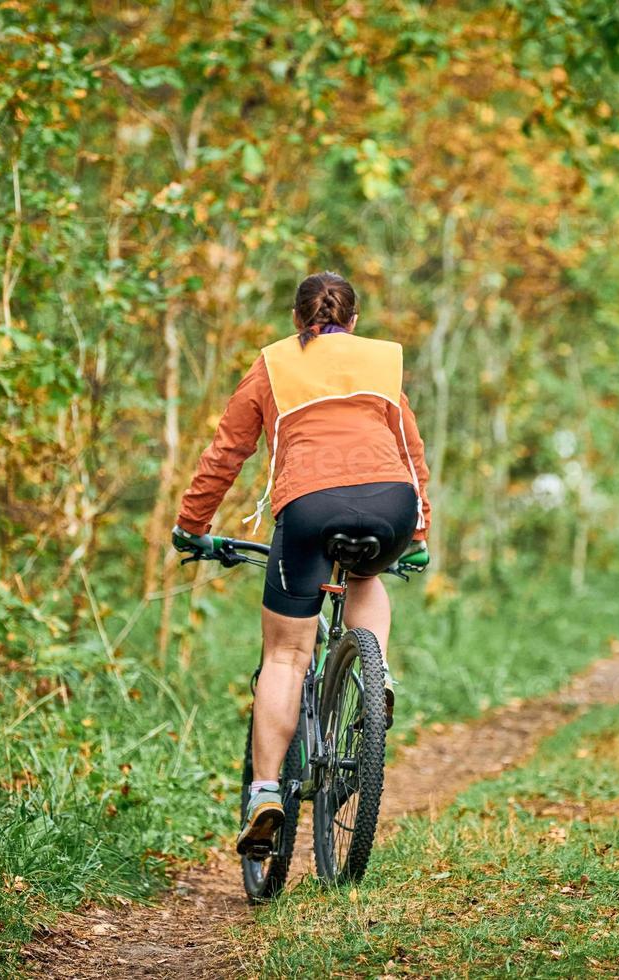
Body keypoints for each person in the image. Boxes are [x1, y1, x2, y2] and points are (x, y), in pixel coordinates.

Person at [171, 271, 432, 855]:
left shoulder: (273, 365)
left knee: (287, 655)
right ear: (355, 320)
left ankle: (265, 793)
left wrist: (193, 526)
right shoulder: (383, 362)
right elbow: (412, 453)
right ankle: (375, 678)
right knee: (366, 574)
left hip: (310, 505)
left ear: (297, 320)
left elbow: (227, 453)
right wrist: (417, 530)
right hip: (390, 500)